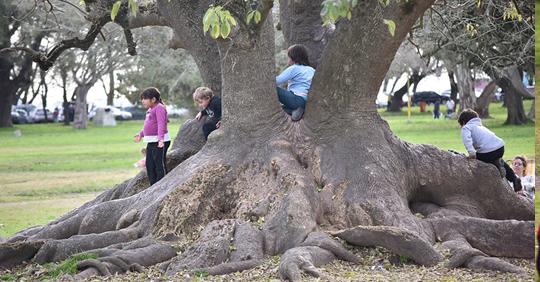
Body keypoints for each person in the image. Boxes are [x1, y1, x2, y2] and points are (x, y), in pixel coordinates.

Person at [457, 109, 521, 191]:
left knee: (476, 159)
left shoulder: (466, 127)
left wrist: (471, 153)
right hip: (500, 148)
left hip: (488, 152)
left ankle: (495, 163)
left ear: (463, 122)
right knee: (497, 160)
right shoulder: (481, 127)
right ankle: (514, 177)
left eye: (461, 125)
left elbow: (467, 141)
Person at [133, 87, 171, 185]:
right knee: (149, 164)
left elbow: (161, 124)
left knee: (159, 164)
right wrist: (141, 134)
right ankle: (153, 185)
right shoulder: (150, 109)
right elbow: (149, 126)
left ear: (153, 99)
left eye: (145, 99)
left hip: (160, 141)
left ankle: (161, 184)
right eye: (142, 99)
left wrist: (161, 139)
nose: (143, 101)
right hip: (151, 141)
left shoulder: (159, 108)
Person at [276, 44, 315, 121]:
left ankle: (294, 111)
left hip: (296, 99)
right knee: (281, 109)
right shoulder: (312, 70)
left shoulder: (294, 68)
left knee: (272, 88)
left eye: (289, 57)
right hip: (307, 102)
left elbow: (277, 81)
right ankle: (295, 111)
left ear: (293, 58)